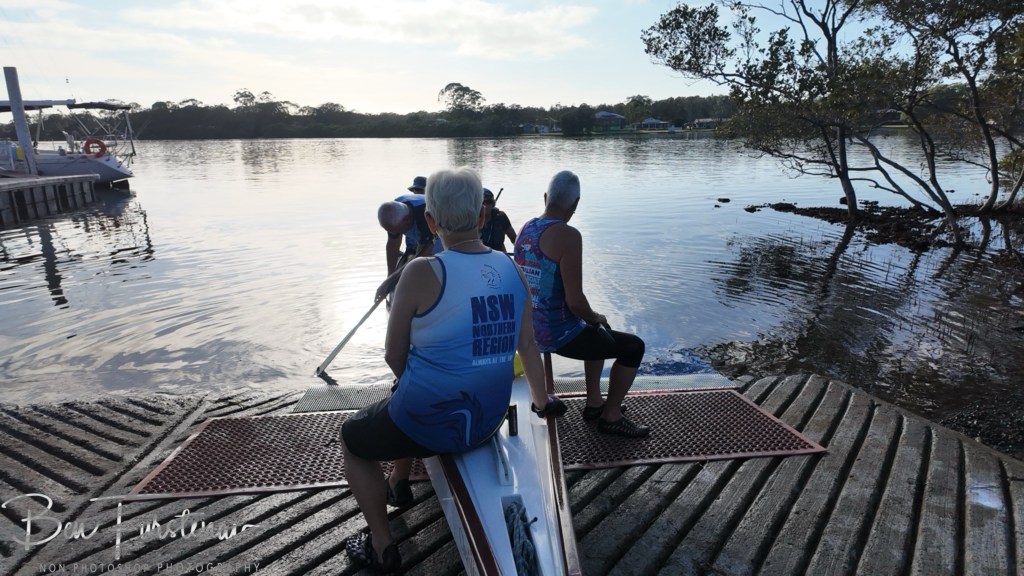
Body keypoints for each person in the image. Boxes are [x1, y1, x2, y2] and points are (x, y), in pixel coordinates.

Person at [341, 167, 564, 573]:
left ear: (430, 220)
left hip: (429, 422)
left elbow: (394, 357)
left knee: (353, 438)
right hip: (486, 421)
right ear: (482, 217)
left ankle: (381, 544)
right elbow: (528, 347)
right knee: (407, 397)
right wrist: (541, 401)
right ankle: (399, 482)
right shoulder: (512, 269)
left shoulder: (421, 272)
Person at [513, 170, 650, 438]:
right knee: (633, 346)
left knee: (595, 326)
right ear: (575, 204)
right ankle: (610, 417)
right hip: (556, 334)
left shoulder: (526, 228)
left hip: (528, 330)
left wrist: (592, 318)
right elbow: (575, 302)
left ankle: (595, 403)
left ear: (546, 197)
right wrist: (594, 315)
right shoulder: (568, 235)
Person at [375, 176, 443, 301]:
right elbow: (392, 246)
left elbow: (422, 257)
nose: (398, 233)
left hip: (442, 235)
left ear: (407, 221)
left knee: (427, 267)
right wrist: (390, 277)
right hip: (420, 240)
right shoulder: (394, 209)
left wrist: (391, 281)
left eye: (400, 230)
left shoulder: (425, 216)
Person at [479, 188, 517, 252]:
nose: (485, 205)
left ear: (493, 203)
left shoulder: (501, 217)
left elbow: (514, 239)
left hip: (499, 255)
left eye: (488, 202)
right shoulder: (470, 221)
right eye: (482, 202)